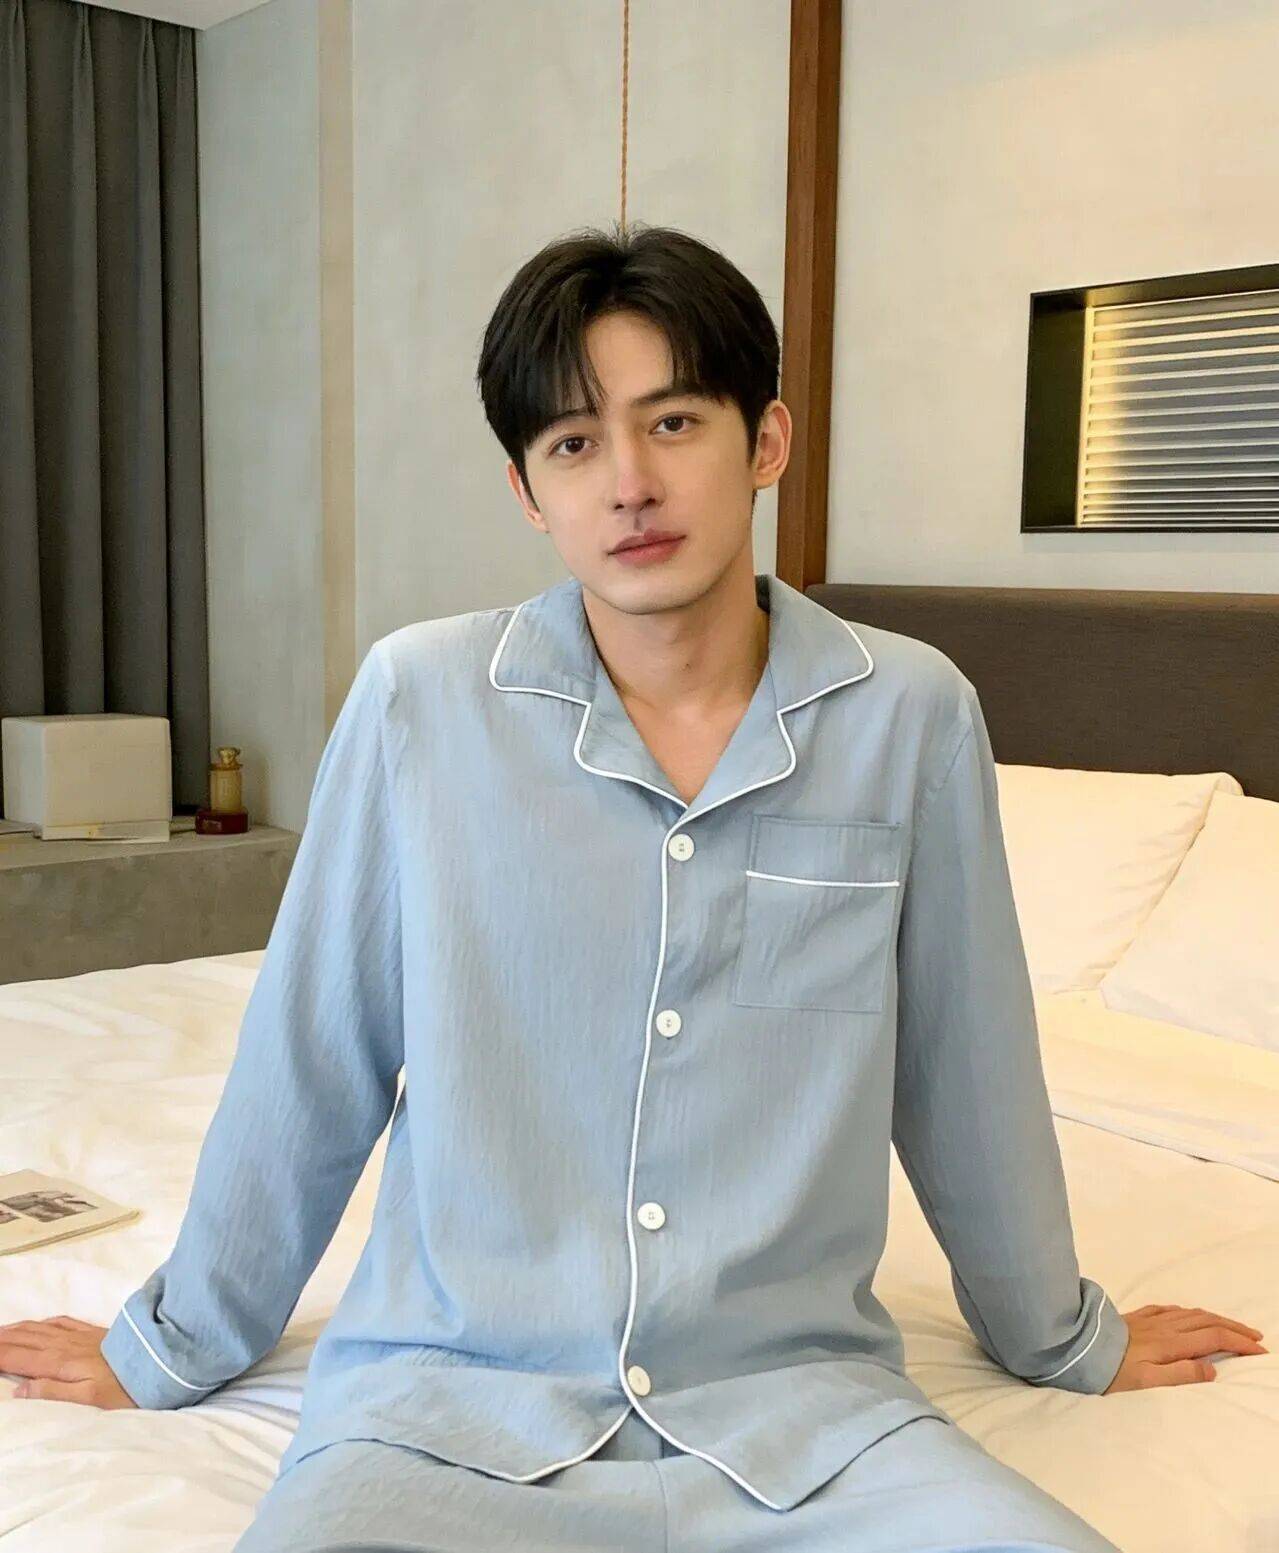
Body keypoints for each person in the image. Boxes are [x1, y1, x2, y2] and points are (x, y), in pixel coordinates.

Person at [2, 222, 1266, 1552]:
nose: (629, 484)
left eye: (672, 422)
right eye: (572, 444)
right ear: (527, 490)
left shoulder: (911, 714)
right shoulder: (421, 701)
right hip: (446, 1410)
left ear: (764, 440)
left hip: (804, 1418)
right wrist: (173, 1341)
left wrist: (1061, 1336)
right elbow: (312, 1055)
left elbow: (967, 1066)